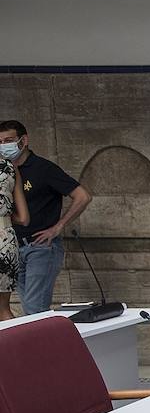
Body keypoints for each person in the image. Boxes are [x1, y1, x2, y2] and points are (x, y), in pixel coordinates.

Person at [0, 121, 93, 315]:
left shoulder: (43, 168)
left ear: (23, 141)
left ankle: (46, 345)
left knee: (35, 309)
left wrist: (58, 227)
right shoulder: (6, 172)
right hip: (14, 248)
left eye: (8, 140)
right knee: (28, 309)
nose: (3, 146)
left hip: (40, 247)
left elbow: (82, 196)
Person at [0, 154, 30, 320]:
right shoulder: (10, 167)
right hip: (6, 241)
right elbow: (24, 218)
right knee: (4, 309)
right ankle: (14, 347)